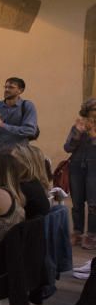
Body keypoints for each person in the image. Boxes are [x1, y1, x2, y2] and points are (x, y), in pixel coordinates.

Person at [0, 76, 39, 153]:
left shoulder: (27, 106)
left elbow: (30, 131)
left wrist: (3, 125)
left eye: (11, 87)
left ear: (20, 90)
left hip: (17, 156)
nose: (7, 90)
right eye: (5, 87)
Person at [67, 99, 96, 249]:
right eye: (93, 109)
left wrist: (92, 135)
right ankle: (77, 232)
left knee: (93, 204)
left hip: (94, 169)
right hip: (77, 167)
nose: (94, 113)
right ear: (86, 111)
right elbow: (67, 148)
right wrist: (77, 134)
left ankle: (92, 234)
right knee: (77, 203)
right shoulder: (78, 126)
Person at [11, 143, 52, 220]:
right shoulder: (34, 184)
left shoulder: (24, 188)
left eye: (12, 160)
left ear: (24, 165)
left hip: (26, 230)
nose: (9, 163)